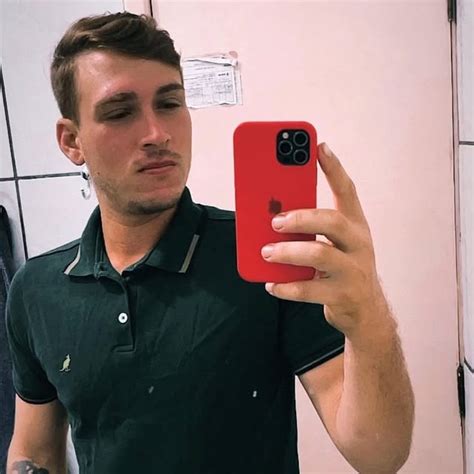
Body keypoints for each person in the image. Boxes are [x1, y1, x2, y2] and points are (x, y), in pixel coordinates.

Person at [5, 12, 414, 474]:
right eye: (120, 112)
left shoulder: (269, 258)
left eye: (169, 103)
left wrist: (369, 316)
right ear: (71, 140)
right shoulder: (36, 291)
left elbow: (379, 455)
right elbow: (34, 452)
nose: (157, 133)